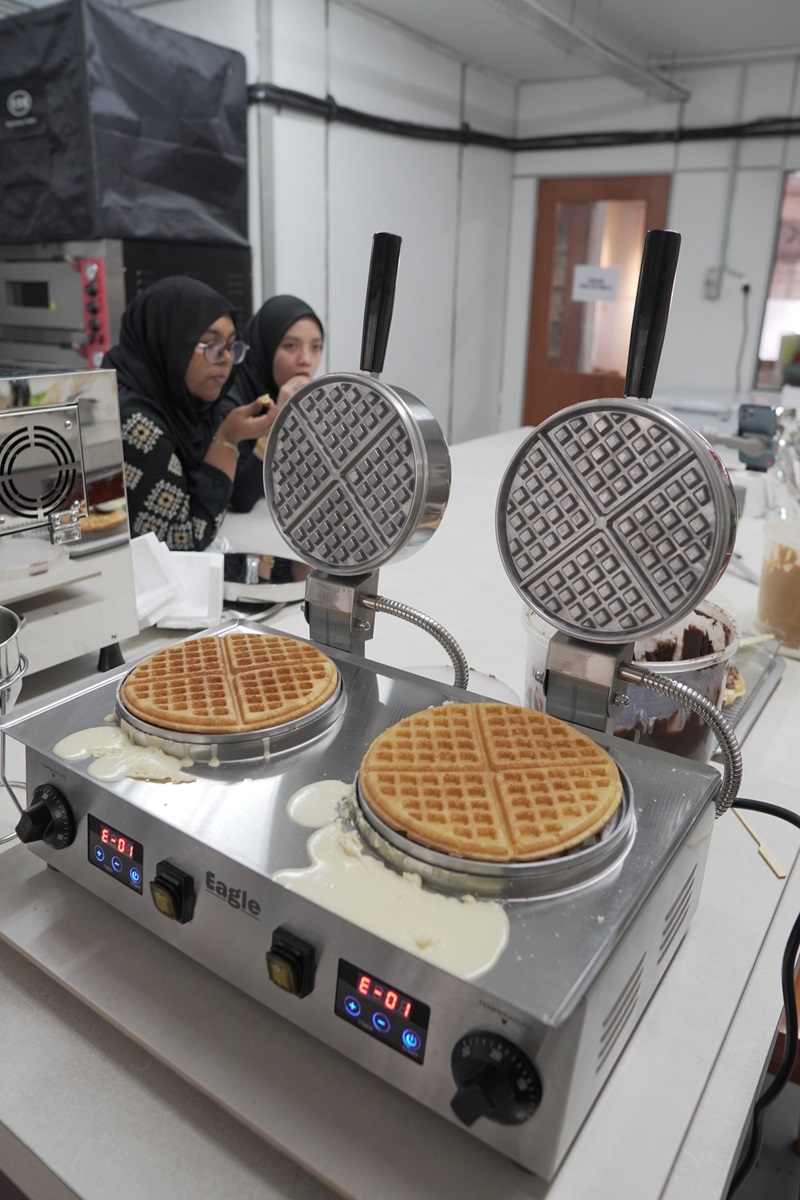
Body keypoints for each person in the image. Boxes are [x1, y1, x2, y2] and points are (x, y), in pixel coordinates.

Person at [103, 276, 275, 550]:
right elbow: (181, 542)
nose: (228, 358)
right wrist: (227, 440)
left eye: (232, 346)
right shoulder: (134, 422)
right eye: (212, 346)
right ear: (169, 343)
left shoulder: (192, 406)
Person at [226, 294, 324, 512]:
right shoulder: (233, 399)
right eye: (291, 346)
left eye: (316, 347)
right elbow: (240, 498)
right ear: (265, 346)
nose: (306, 359)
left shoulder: (309, 398)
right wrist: (277, 419)